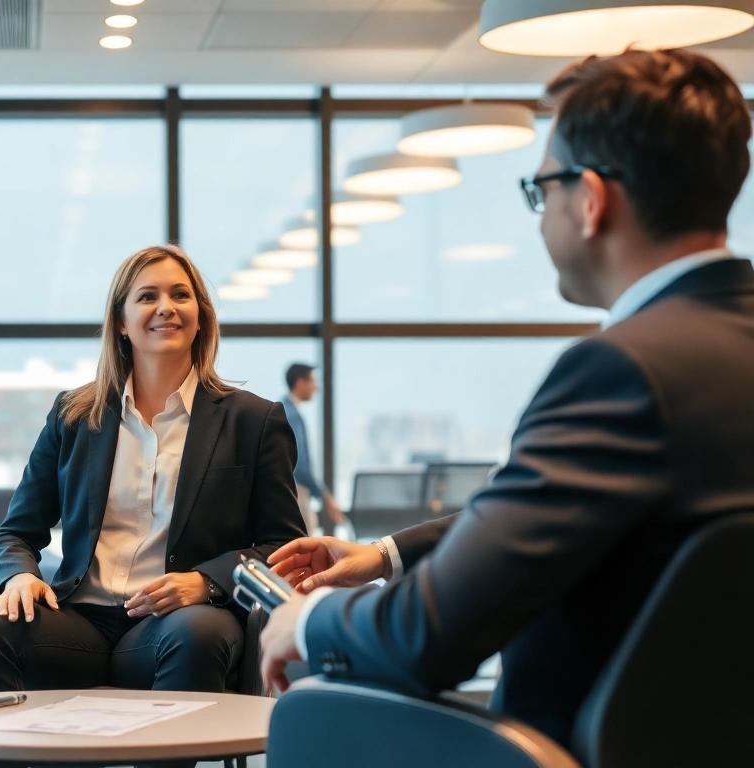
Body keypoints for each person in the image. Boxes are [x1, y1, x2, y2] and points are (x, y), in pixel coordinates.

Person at [259, 47, 754, 746]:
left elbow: (426, 636)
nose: (540, 212)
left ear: (589, 200)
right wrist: (388, 556)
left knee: (308, 717)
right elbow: (557, 509)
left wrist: (303, 621)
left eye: (540, 189)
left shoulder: (620, 372)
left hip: (558, 750)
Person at [0, 244, 308, 697]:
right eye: (147, 297)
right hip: (79, 618)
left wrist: (206, 582)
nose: (166, 308)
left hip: (176, 620)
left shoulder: (253, 421)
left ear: (200, 315)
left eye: (181, 295)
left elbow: (286, 546)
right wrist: (19, 576)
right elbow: (14, 533)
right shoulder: (74, 415)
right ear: (121, 322)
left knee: (198, 635)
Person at [282, 363, 344, 534]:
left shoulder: (286, 410)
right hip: (297, 489)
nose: (316, 387)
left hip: (292, 489)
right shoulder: (291, 415)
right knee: (305, 541)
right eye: (312, 381)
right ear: (300, 383)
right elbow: (299, 464)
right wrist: (324, 495)